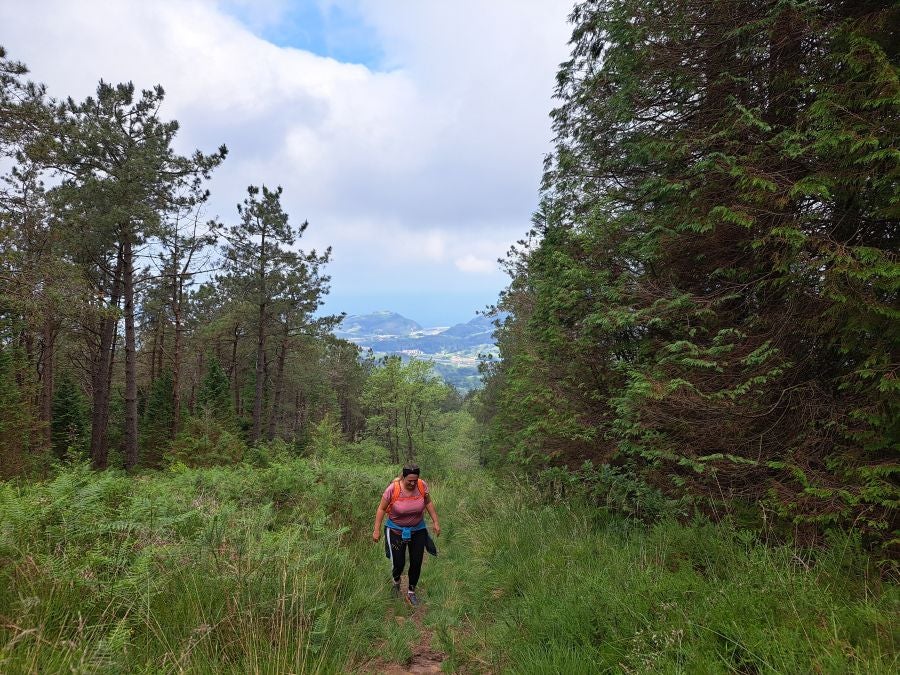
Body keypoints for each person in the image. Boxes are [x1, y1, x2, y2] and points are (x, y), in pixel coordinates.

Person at [372, 463, 441, 606]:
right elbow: (381, 509)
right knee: (399, 563)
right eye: (410, 480)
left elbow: (428, 502)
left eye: (415, 480)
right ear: (403, 477)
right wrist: (377, 530)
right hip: (396, 530)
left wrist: (435, 522)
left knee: (416, 562)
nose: (413, 483)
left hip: (418, 530)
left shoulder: (421, 486)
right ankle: (396, 581)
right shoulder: (393, 489)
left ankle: (411, 592)